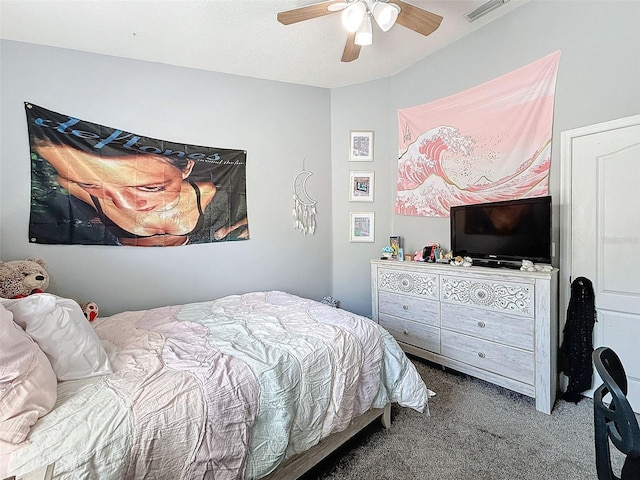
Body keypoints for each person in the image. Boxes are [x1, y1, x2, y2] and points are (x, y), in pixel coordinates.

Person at [27, 104, 248, 246]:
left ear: (186, 168)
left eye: (151, 187)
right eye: (90, 184)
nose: (123, 204)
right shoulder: (74, 187)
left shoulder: (206, 191)